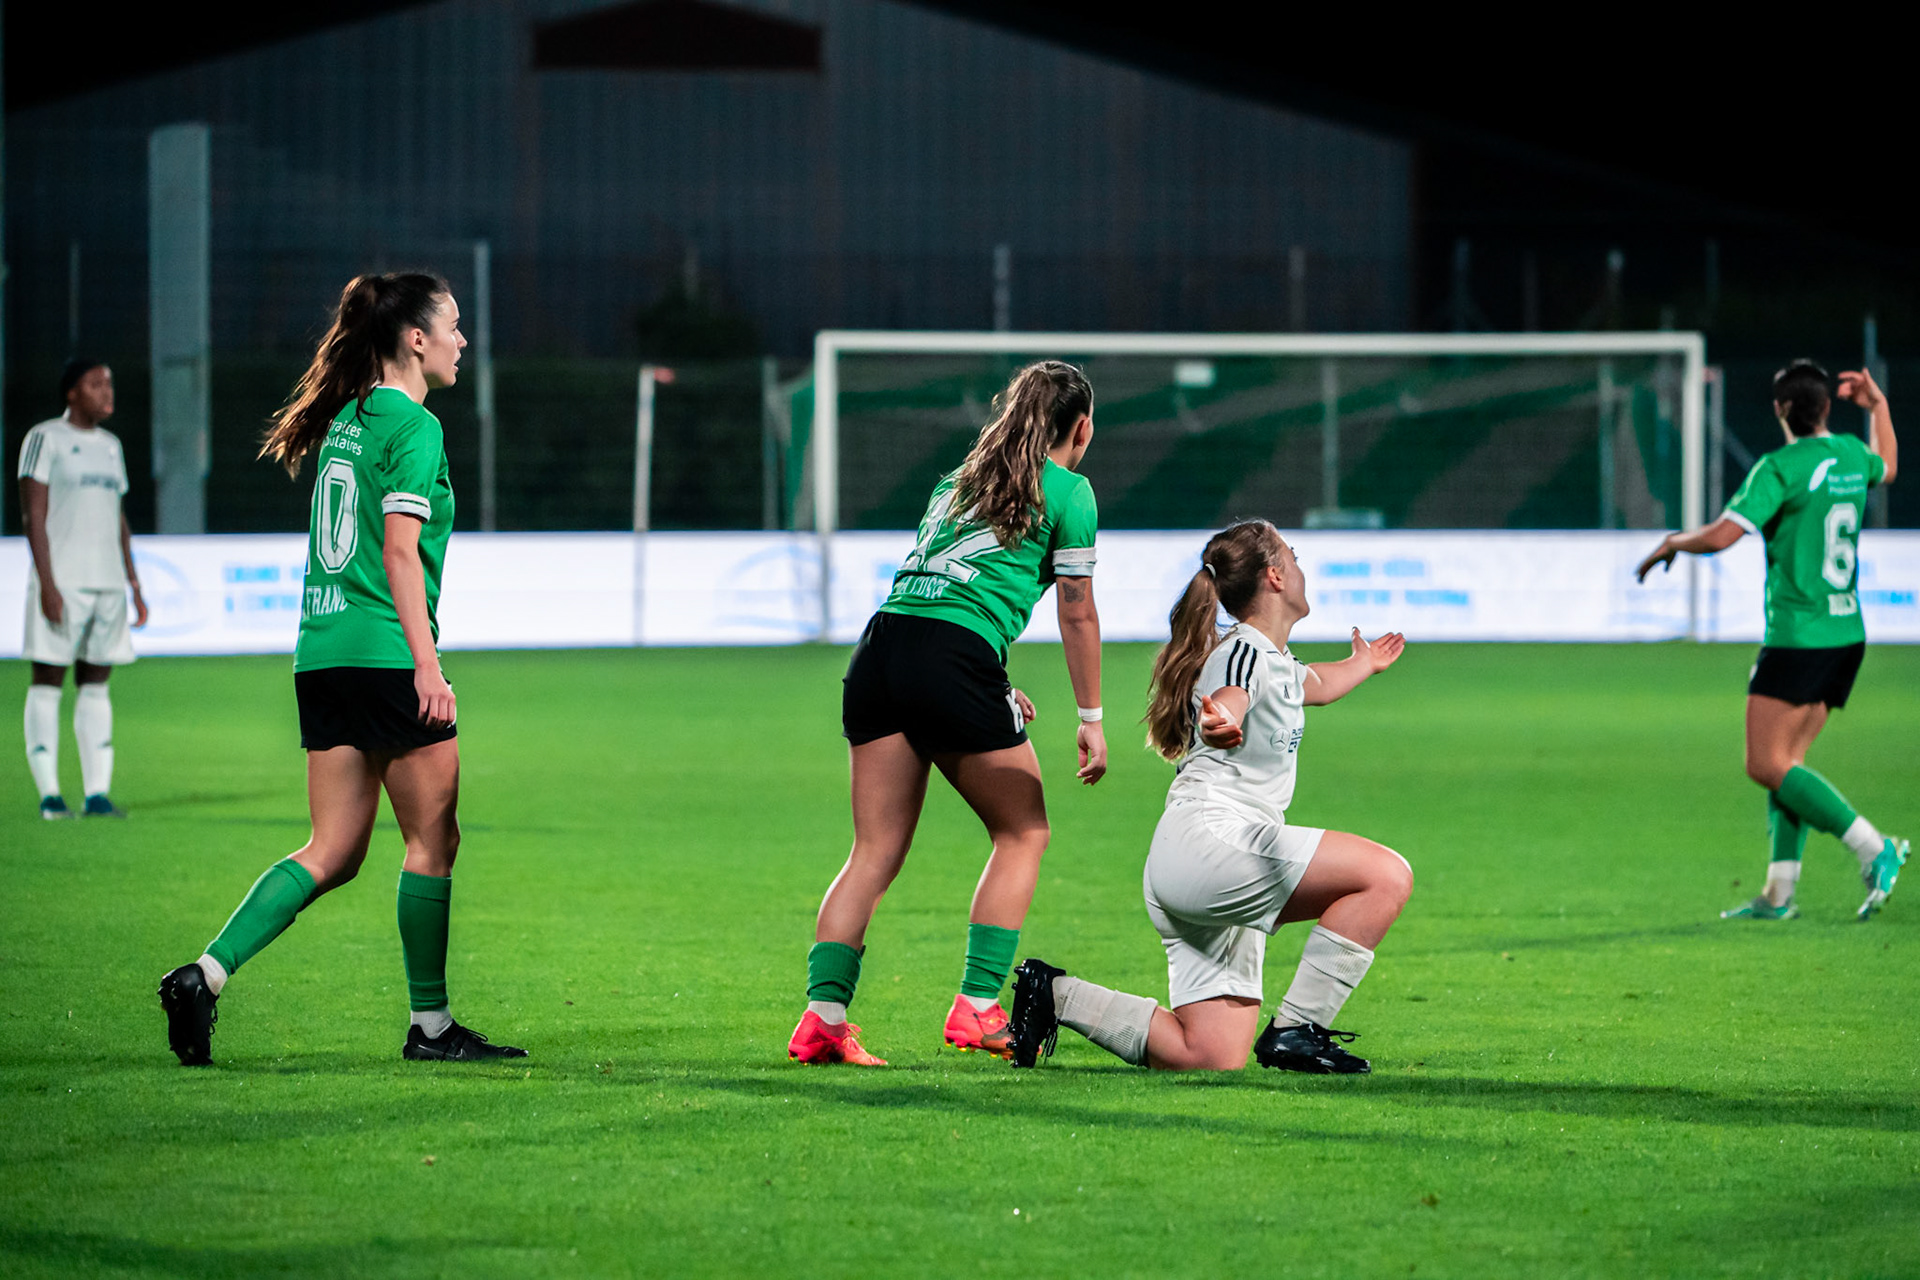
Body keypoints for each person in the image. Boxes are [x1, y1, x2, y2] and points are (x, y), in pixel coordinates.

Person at [157, 272, 526, 1065]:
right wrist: (426, 666)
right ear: (416, 340)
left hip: (321, 653)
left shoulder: (348, 422)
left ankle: (204, 975)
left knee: (334, 850)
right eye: (454, 326)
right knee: (434, 840)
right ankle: (431, 1028)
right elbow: (399, 552)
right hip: (389, 655)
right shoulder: (415, 428)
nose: (464, 340)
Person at [788, 360, 1108, 1067]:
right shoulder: (1071, 490)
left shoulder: (957, 479)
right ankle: (977, 1007)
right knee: (1023, 830)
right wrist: (1092, 716)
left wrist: (988, 677)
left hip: (881, 649)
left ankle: (822, 1019)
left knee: (871, 852)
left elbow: (947, 592)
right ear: (1080, 428)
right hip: (950, 659)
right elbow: (1076, 610)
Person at [1006, 520, 1411, 1074]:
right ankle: (1298, 1030)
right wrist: (1223, 719)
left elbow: (1314, 683)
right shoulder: (1242, 652)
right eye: (1292, 555)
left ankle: (1055, 995)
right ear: (1274, 576)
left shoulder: (1276, 661)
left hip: (1197, 859)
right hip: (1214, 843)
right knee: (1385, 876)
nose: (1299, 563)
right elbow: (1229, 697)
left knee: (1209, 1056)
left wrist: (1365, 663)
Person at [1637, 361, 1905, 922]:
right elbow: (1890, 468)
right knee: (1790, 762)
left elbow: (1723, 535)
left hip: (1797, 636)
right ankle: (1779, 895)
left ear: (1781, 410)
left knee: (1764, 763)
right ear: (1827, 408)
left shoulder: (1779, 467)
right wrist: (1878, 408)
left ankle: (1872, 845)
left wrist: (1673, 542)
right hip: (1847, 631)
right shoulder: (1854, 457)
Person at [17, 358, 148, 819]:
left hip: (107, 585)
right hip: (64, 582)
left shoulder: (111, 447)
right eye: (95, 384)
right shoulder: (44, 438)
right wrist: (47, 584)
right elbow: (33, 515)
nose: (106, 392)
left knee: (96, 685)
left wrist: (132, 581)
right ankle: (50, 795)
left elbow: (117, 517)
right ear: (72, 393)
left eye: (109, 383)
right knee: (49, 680)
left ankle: (96, 795)